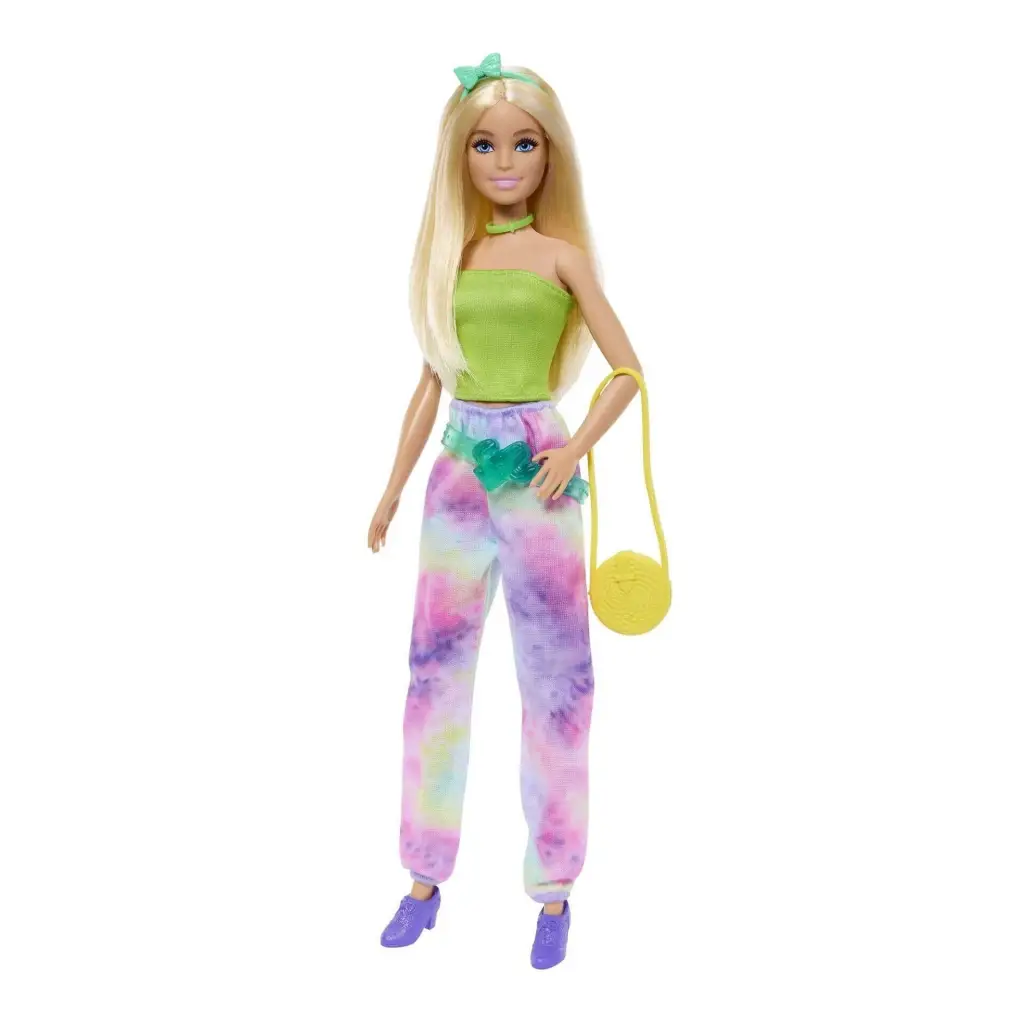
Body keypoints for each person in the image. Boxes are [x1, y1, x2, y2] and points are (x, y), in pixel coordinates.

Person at [367, 53, 644, 969]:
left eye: (523, 144)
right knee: (433, 673)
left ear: (549, 153)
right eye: (484, 145)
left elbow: (627, 370)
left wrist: (573, 448)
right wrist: (393, 484)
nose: (503, 161)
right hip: (456, 469)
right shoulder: (451, 258)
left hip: (539, 472)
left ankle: (554, 887)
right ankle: (422, 876)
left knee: (558, 678)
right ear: (461, 156)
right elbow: (428, 382)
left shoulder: (563, 258)